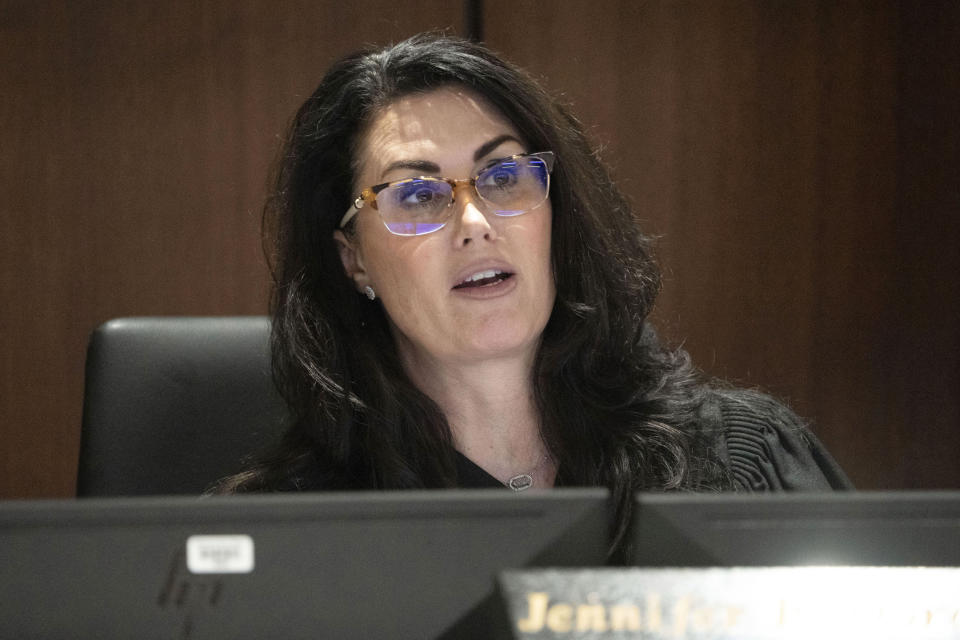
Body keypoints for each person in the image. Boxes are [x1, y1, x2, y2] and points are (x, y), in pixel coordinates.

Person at [213, 33, 850, 555]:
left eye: (504, 175)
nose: (475, 222)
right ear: (354, 261)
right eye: (415, 194)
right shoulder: (281, 539)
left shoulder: (741, 469)